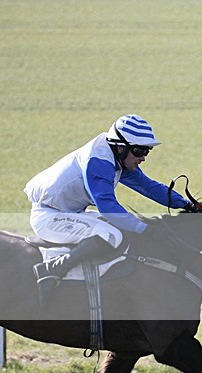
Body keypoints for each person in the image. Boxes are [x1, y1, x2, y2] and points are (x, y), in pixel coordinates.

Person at [24, 114, 192, 306]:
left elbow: (148, 187)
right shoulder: (99, 161)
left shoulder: (116, 156)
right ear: (120, 147)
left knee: (122, 230)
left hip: (68, 213)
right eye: (139, 150)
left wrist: (187, 204)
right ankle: (52, 270)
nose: (143, 157)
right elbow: (108, 207)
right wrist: (148, 230)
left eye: (147, 150)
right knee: (112, 235)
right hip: (49, 217)